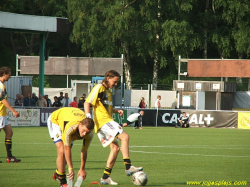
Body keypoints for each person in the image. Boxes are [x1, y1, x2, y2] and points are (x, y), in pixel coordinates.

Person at [84, 70, 143, 185]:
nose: (116, 84)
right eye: (115, 81)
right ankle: (128, 166)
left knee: (115, 149)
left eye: (117, 82)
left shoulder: (108, 92)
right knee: (125, 137)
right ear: (108, 78)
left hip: (106, 121)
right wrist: (88, 119)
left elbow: (106, 109)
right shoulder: (99, 88)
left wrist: (116, 110)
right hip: (103, 122)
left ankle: (105, 177)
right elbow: (87, 103)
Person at [47, 107, 94, 187]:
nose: (84, 134)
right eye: (83, 131)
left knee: (65, 156)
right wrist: (70, 168)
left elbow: (84, 150)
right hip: (56, 120)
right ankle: (63, 182)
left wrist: (82, 169)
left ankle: (58, 173)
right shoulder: (70, 128)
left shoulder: (90, 134)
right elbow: (66, 148)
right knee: (62, 151)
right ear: (80, 124)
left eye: (87, 132)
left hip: (71, 121)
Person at [0, 67, 21, 163]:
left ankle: (9, 157)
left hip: (3, 114)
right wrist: (13, 111)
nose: (10, 76)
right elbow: (2, 100)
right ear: (4, 74)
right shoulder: (0, 85)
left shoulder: (2, 85)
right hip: (0, 114)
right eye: (9, 74)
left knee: (9, 133)